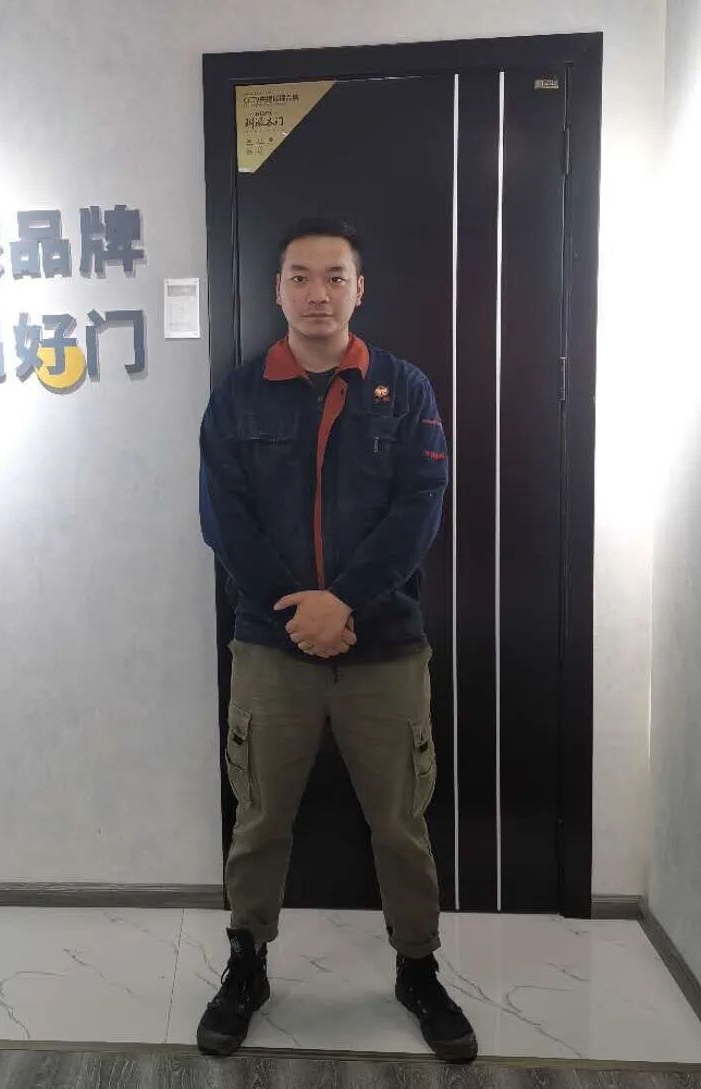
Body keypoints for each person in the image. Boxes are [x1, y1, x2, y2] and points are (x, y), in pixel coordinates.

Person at [196, 217, 477, 1063]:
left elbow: (419, 509)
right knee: (260, 817)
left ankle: (417, 967)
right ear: (277, 290)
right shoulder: (238, 397)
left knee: (401, 822)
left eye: (334, 277)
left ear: (360, 289)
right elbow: (224, 520)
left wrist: (345, 601)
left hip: (383, 645)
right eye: (300, 277)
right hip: (271, 645)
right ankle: (247, 962)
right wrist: (299, 612)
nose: (317, 293)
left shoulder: (406, 389)